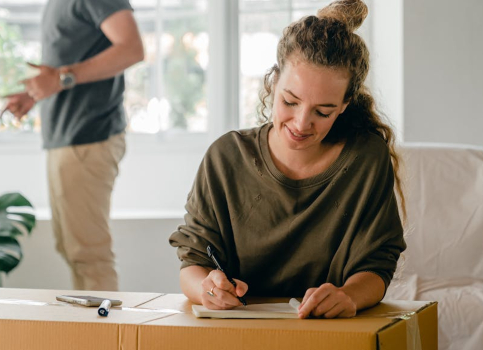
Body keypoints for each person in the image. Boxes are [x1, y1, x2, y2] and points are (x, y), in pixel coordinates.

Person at [169, 0, 406, 319]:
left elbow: (378, 264)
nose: (301, 123)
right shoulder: (226, 157)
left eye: (323, 112)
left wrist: (348, 296)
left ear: (345, 105)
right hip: (237, 331)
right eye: (290, 101)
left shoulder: (365, 158)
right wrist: (207, 289)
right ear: (273, 81)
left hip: (329, 333)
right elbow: (193, 262)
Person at [2, 0, 144, 291]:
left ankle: (103, 336)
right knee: (74, 251)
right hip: (68, 140)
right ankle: (92, 334)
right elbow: (68, 67)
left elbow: (131, 48)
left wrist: (61, 78)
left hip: (88, 137)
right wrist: (35, 93)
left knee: (88, 256)